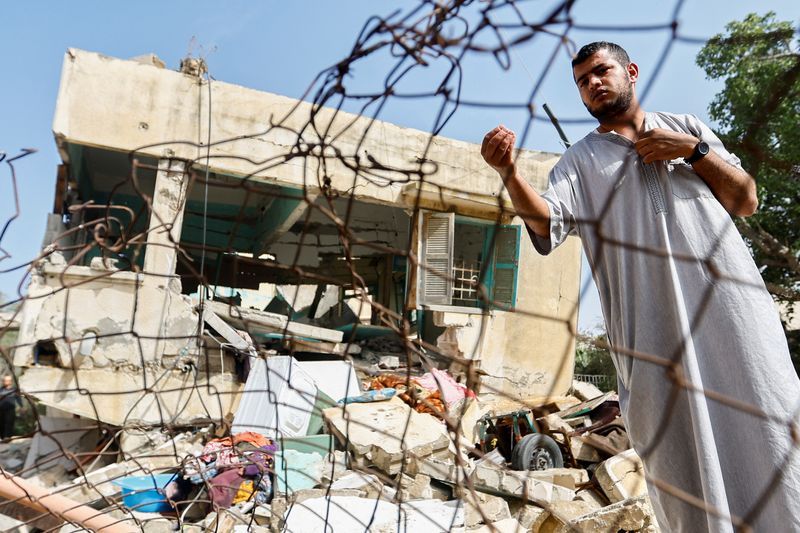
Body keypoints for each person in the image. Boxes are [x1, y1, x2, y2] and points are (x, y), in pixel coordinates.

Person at [481, 41, 800, 531]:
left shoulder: (688, 127)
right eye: (582, 81)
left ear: (630, 70)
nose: (592, 83)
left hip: (734, 322)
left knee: (770, 433)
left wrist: (693, 152)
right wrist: (508, 173)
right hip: (651, 342)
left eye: (600, 71)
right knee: (683, 465)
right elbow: (546, 229)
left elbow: (746, 199)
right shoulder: (577, 164)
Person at [0, 374, 21, 439]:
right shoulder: (1, 390)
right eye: (5, 381)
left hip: (10, 410)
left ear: (11, 381)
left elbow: (18, 398)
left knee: (9, 423)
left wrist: (21, 407)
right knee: (1, 424)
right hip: (1, 410)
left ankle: (7, 437)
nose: (6, 382)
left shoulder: (14, 390)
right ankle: (2, 438)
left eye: (8, 381)